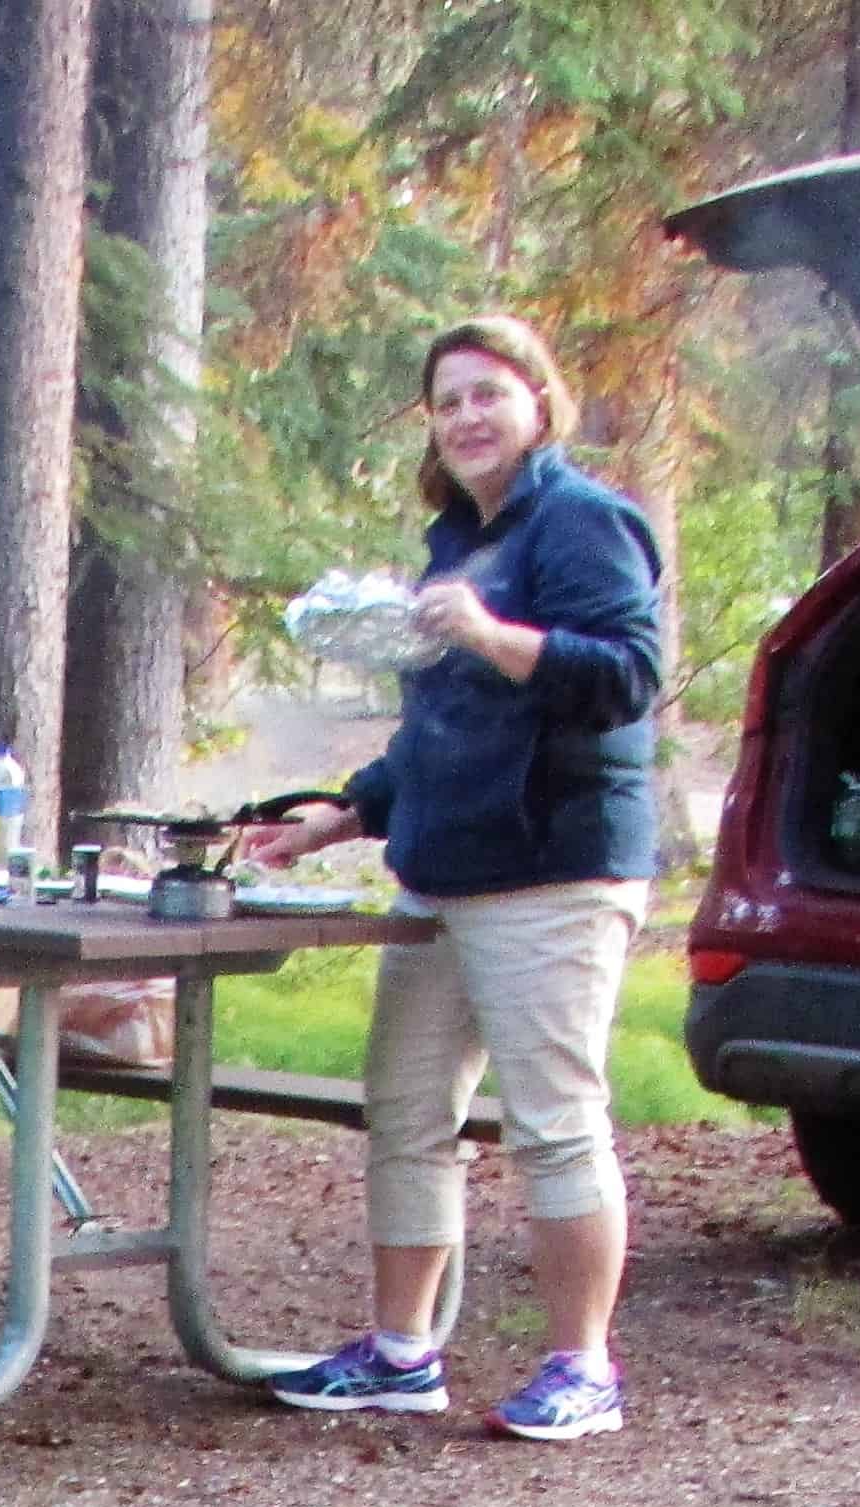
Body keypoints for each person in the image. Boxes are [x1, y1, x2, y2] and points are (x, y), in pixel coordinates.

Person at [238, 315, 667, 1443]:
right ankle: (398, 1353)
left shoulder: (585, 524)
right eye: (446, 401)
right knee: (407, 1115)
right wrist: (339, 818)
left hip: (554, 871)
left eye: (487, 393)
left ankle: (583, 1369)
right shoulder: (454, 539)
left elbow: (628, 677)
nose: (467, 417)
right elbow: (442, 725)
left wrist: (488, 632)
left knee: (554, 1124)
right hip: (443, 870)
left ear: (537, 399)